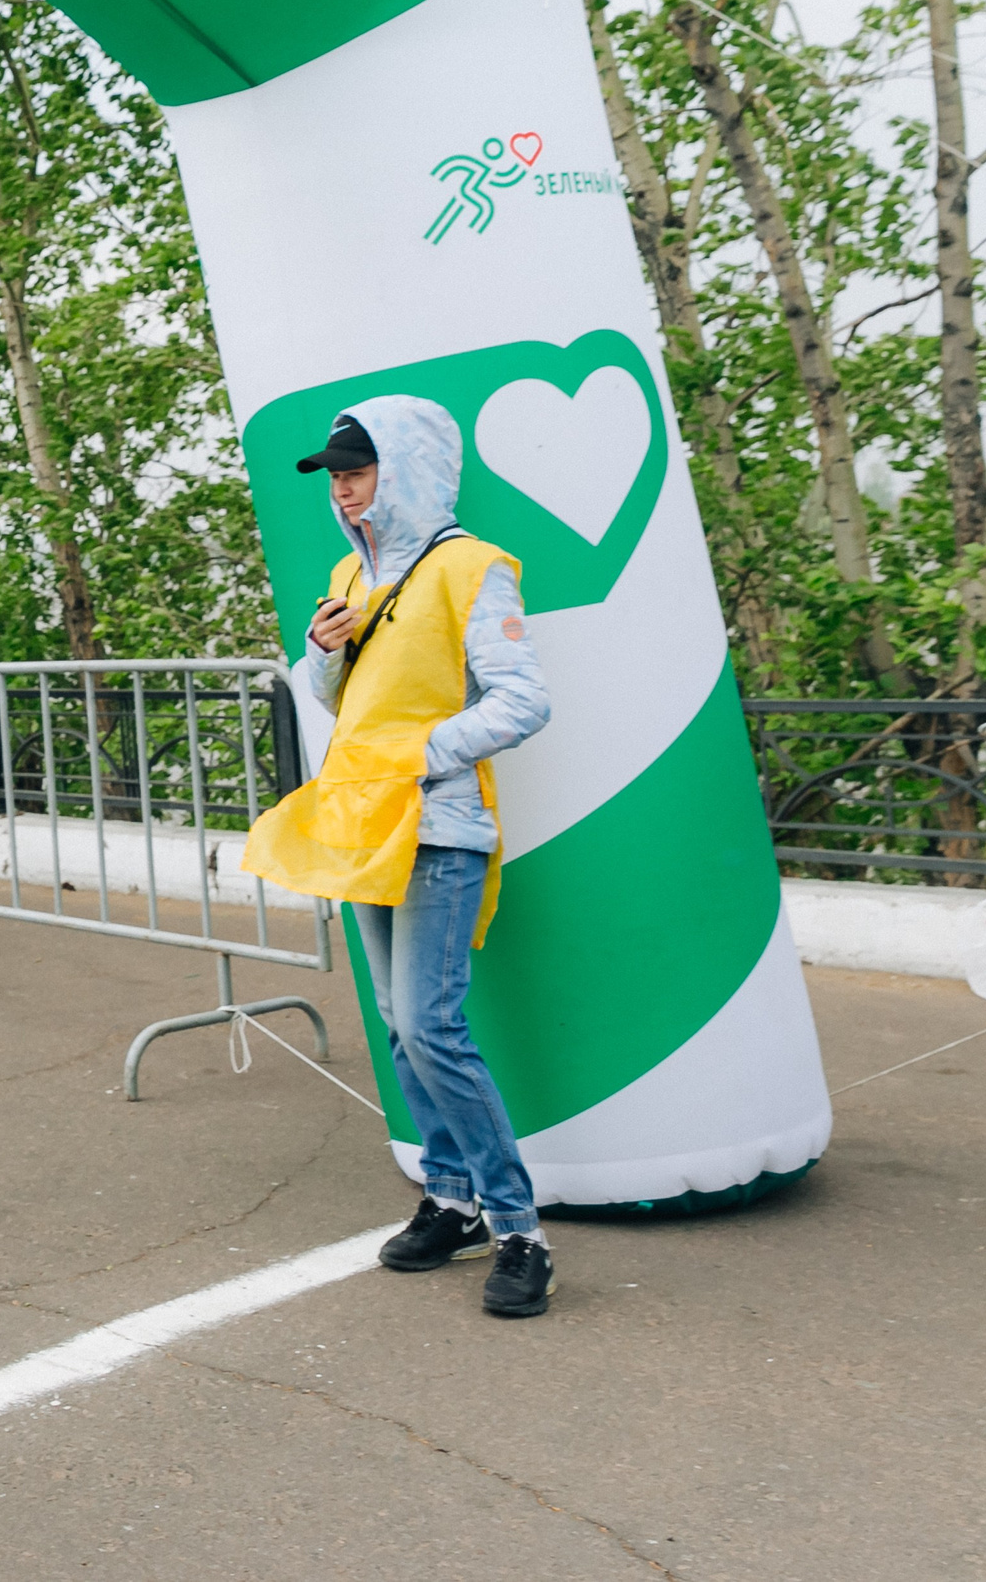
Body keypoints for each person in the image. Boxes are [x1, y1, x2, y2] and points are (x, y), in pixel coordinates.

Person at [243, 396, 557, 1317]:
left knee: (431, 1026)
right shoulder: (351, 570)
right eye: (336, 476)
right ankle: (450, 1197)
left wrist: (420, 756)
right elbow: (340, 700)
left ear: (408, 468)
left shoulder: (474, 567)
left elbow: (524, 700)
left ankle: (520, 1229)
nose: (342, 490)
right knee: (397, 1020)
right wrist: (323, 651)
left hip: (438, 826)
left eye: (358, 470)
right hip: (362, 825)